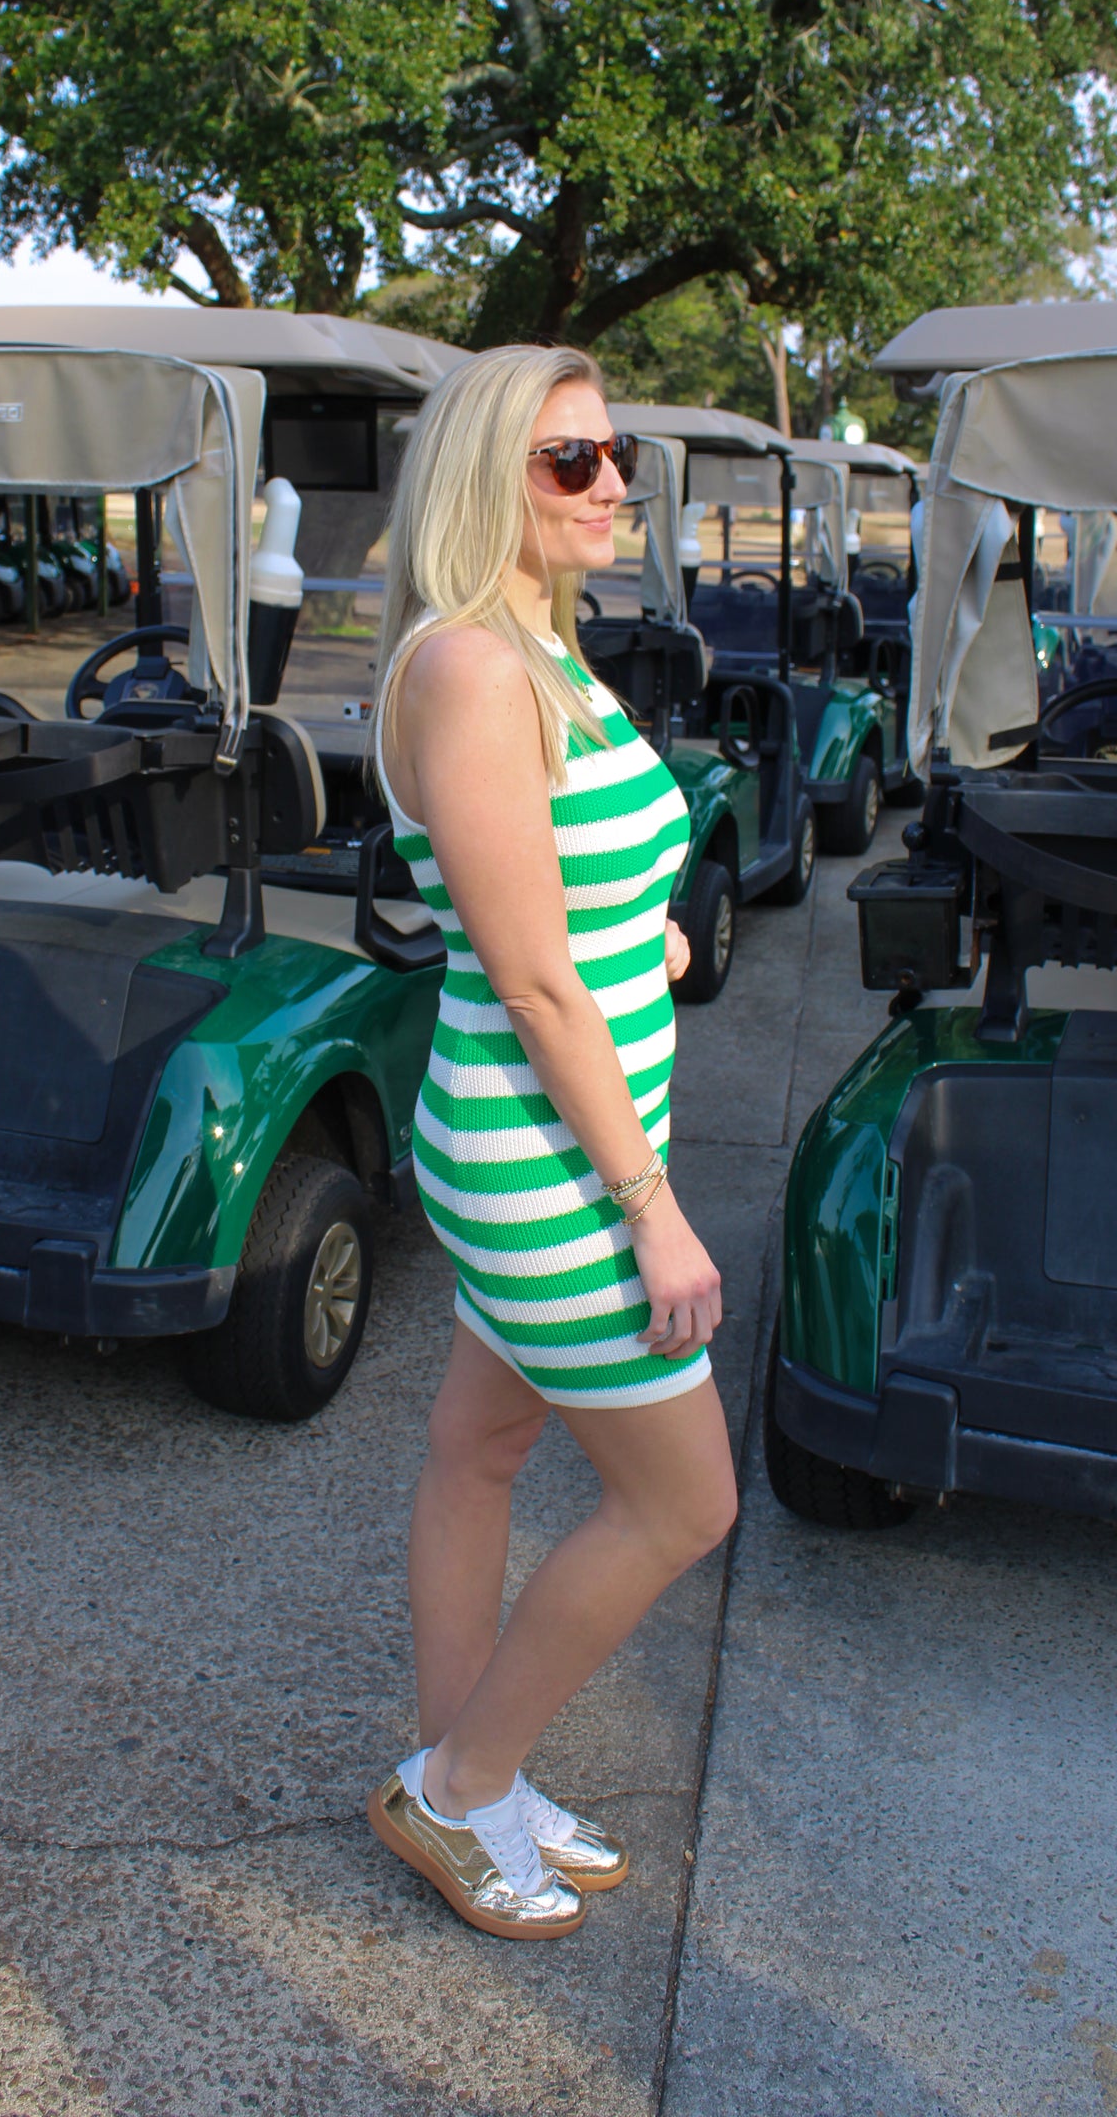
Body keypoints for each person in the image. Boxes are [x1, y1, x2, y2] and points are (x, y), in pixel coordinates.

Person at [366, 344, 738, 1941]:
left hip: (551, 1137)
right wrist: (651, 1207)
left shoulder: (546, 647)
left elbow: (544, 903)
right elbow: (521, 973)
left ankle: (471, 1773)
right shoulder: (466, 665)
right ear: (481, 479)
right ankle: (453, 1795)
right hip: (556, 1170)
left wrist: (640, 934)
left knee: (482, 1449)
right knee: (685, 1507)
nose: (609, 484)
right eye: (566, 460)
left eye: (612, 455)